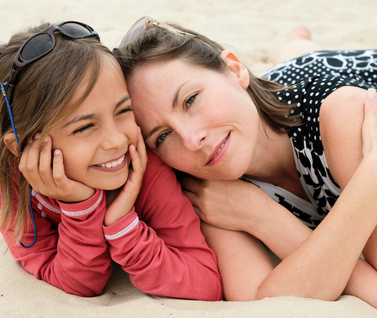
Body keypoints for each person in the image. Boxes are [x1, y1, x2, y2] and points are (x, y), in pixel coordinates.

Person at [113, 17, 377, 307]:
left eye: (190, 100)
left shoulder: (346, 116)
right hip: (273, 88)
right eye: (162, 137)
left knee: (302, 57)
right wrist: (261, 215)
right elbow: (256, 300)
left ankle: (297, 40)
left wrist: (370, 173)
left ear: (235, 70)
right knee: (292, 59)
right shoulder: (212, 191)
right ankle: (295, 44)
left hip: (338, 81)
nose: (191, 140)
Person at [0, 21, 222, 300]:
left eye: (123, 110)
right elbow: (76, 284)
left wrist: (124, 227)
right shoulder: (12, 185)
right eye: (84, 127)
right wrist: (79, 209)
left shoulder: (146, 169)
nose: (117, 141)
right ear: (19, 146)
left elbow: (207, 283)